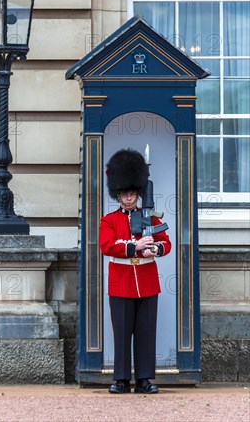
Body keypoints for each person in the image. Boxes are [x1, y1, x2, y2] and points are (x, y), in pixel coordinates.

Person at [99, 148, 171, 394]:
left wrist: (156, 249)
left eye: (132, 193)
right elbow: (106, 245)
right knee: (121, 333)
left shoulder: (149, 218)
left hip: (147, 282)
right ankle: (121, 379)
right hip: (121, 282)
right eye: (124, 194)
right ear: (118, 195)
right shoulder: (109, 220)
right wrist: (135, 246)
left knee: (145, 332)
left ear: (138, 194)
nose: (128, 198)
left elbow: (166, 242)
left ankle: (144, 379)